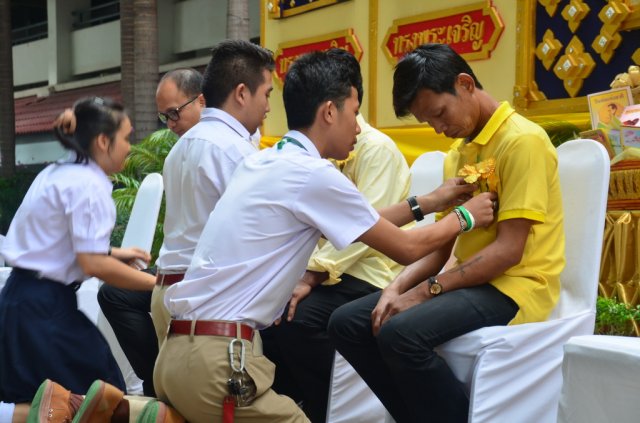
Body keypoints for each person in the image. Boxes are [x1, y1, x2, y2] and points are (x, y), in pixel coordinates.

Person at [153, 50, 496, 423]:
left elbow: (364, 221)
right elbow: (407, 247)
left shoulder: (267, 160)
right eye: (354, 111)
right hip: (219, 362)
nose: (358, 126)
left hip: (176, 353)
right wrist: (465, 216)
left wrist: (430, 202)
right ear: (330, 112)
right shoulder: (312, 174)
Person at [328, 43, 565, 423]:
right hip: (469, 283)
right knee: (347, 322)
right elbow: (442, 246)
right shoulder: (460, 152)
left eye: (439, 113)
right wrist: (395, 288)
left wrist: (424, 293)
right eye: (429, 122)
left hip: (514, 287)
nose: (439, 128)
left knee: (399, 334)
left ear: (465, 83)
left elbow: (508, 252)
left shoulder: (522, 142)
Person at [261, 48, 411, 423]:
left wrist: (311, 274)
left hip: (371, 271)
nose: (356, 127)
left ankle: (330, 408)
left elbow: (364, 232)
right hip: (333, 270)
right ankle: (296, 406)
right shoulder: (312, 155)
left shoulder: (375, 149)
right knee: (273, 318)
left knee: (302, 320)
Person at [0, 98, 157, 421]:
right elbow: (93, 265)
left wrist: (115, 252)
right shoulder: (89, 184)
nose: (129, 147)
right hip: (44, 310)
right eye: (126, 138)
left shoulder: (60, 171)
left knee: (42, 403)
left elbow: (54, 241)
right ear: (103, 141)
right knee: (103, 400)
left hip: (19, 302)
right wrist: (158, 285)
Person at [148, 39, 275, 352]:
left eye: (175, 112)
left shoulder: (178, 152)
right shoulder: (233, 151)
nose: (269, 107)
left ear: (202, 100)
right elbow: (258, 232)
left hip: (169, 292)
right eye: (267, 94)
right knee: (234, 398)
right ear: (242, 93)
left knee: (180, 398)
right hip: (205, 301)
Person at [97, 67, 206, 396]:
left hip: (204, 271)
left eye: (174, 113)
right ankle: (159, 380)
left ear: (201, 101)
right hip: (180, 267)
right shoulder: (177, 155)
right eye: (165, 117)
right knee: (112, 293)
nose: (170, 124)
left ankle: (160, 383)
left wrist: (161, 283)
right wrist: (158, 279)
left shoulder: (221, 151)